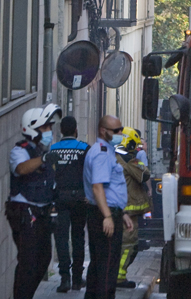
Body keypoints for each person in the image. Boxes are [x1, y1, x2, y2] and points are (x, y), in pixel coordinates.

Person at [6, 103, 60, 299]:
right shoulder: (20, 150)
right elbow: (20, 168)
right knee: (28, 261)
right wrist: (44, 159)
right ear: (32, 129)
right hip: (25, 212)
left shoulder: (41, 151)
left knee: (44, 259)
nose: (49, 131)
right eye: (45, 128)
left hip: (42, 213)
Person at [84, 115, 134, 299]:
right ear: (103, 131)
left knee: (99, 265)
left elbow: (110, 188)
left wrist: (121, 214)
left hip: (109, 212)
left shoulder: (105, 150)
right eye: (116, 131)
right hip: (103, 214)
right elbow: (98, 187)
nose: (120, 133)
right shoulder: (102, 153)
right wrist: (108, 216)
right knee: (107, 268)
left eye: (121, 129)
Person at [46, 116, 90, 293]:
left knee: (61, 238)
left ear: (61, 131)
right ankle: (78, 279)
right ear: (76, 130)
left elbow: (49, 176)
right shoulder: (84, 149)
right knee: (78, 238)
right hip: (80, 199)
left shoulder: (53, 150)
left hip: (60, 199)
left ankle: (65, 279)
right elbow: (90, 173)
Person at [116, 127, 152, 289]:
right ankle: (119, 277)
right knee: (128, 243)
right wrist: (140, 162)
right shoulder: (130, 160)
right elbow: (145, 175)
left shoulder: (112, 156)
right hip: (128, 209)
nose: (136, 148)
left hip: (118, 207)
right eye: (135, 145)